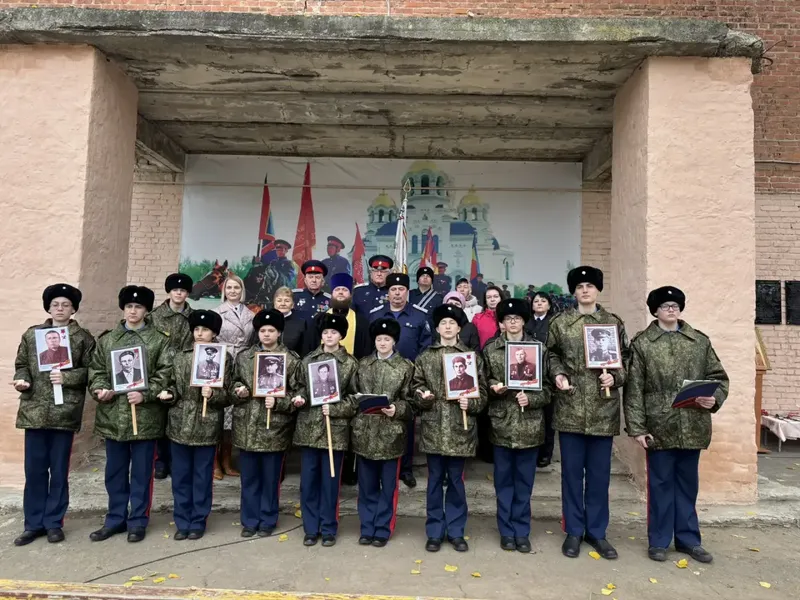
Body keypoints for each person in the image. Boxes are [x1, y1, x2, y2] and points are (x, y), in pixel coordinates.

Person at [624, 286, 729, 564]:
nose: (671, 309)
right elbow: (634, 390)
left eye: (675, 305)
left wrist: (713, 398)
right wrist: (637, 428)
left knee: (687, 486)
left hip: (692, 423)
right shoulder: (643, 344)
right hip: (659, 426)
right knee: (660, 486)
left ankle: (689, 540)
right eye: (665, 305)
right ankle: (659, 541)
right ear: (655, 310)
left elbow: (719, 377)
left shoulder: (699, 341)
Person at [547, 266, 629, 560]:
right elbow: (550, 354)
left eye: (590, 286)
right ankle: (573, 530)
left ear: (598, 290)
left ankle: (597, 532)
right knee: (571, 475)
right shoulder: (561, 323)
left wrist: (615, 377)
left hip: (601, 409)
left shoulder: (611, 323)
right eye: (580, 286)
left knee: (598, 477)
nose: (585, 290)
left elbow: (627, 359)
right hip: (570, 408)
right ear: (574, 292)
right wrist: (557, 374)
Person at [88, 285, 173, 544]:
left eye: (138, 307)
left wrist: (145, 395)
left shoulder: (159, 339)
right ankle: (114, 518)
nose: (133, 311)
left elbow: (165, 373)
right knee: (114, 472)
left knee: (141, 473)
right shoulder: (107, 339)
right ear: (123, 309)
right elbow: (97, 370)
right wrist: (101, 389)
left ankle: (137, 520)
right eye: (129, 307)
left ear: (146, 310)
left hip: (145, 419)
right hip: (114, 417)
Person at [12, 284, 95, 547]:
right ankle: (33, 523)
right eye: (56, 304)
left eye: (66, 305)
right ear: (48, 307)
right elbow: (22, 364)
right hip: (35, 410)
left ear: (73, 309)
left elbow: (93, 371)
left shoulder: (82, 337)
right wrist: (22, 379)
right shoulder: (33, 335)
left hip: (64, 412)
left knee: (58, 471)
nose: (60, 309)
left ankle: (53, 522)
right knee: (34, 470)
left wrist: (68, 377)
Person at [411, 304, 487, 553]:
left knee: (455, 481)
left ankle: (456, 531)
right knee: (434, 482)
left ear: (459, 327)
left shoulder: (471, 357)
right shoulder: (425, 356)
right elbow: (415, 388)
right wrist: (423, 395)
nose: (447, 327)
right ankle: (434, 531)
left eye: (451, 323)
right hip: (434, 426)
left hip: (459, 427)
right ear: (437, 328)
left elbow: (483, 394)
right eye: (443, 323)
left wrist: (472, 401)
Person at [483, 298, 549, 553]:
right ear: (501, 323)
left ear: (524, 321)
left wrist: (531, 398)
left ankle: (522, 530)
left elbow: (549, 390)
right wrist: (493, 387)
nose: (512, 323)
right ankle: (506, 531)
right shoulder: (491, 350)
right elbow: (481, 382)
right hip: (502, 424)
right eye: (507, 319)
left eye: (517, 319)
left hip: (529, 425)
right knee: (503, 483)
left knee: (524, 482)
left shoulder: (538, 350)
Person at [158, 310, 231, 541]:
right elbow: (171, 385)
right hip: (179, 424)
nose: (200, 334)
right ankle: (182, 519)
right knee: (180, 476)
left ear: (214, 333)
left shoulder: (224, 358)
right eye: (197, 330)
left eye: (206, 330)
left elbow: (230, 395)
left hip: (206, 424)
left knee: (202, 476)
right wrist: (168, 394)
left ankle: (198, 520)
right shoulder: (179, 356)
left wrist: (215, 394)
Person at [231, 309, 303, 538]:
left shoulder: (291, 360)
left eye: (271, 330)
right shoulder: (244, 357)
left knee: (271, 479)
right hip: (248, 427)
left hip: (274, 428)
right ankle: (249, 520)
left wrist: (281, 402)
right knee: (249, 478)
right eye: (262, 330)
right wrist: (238, 391)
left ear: (279, 332)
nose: (266, 334)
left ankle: (268, 519)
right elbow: (231, 385)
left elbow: (299, 393)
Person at [293, 314, 359, 547]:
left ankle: (329, 527)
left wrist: (337, 407)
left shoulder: (350, 364)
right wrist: (300, 397)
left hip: (335, 430)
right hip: (310, 428)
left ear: (341, 336)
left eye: (334, 332)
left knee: (330, 483)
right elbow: (299, 386)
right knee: (309, 482)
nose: (329, 336)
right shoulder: (308, 360)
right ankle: (311, 528)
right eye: (325, 333)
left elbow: (355, 397)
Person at [352, 318, 413, 547]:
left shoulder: (405, 367)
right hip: (365, 433)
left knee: (388, 487)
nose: (382, 343)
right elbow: (353, 394)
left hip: (391, 434)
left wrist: (397, 409)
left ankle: (383, 528)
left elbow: (411, 402)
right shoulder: (363, 365)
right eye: (379, 339)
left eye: (387, 339)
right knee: (366, 487)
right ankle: (367, 527)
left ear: (394, 341)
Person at [369, 272, 432, 489]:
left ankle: (405, 469)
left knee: (406, 420)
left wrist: (417, 371)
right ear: (388, 292)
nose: (397, 293)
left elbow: (426, 346)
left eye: (401, 289)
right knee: (380, 419)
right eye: (393, 289)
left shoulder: (419, 316)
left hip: (408, 377)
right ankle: (380, 466)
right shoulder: (376, 315)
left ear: (408, 291)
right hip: (380, 375)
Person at [150, 273, 195, 480]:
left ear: (187, 293)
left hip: (184, 372)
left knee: (178, 416)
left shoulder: (193, 317)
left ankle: (175, 460)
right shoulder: (154, 316)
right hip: (160, 372)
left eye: (183, 290)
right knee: (159, 416)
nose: (179, 293)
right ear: (169, 291)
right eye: (175, 290)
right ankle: (160, 460)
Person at [213, 274, 254, 480]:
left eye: (236, 287)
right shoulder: (216, 312)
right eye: (229, 287)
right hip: (222, 361)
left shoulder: (250, 314)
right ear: (224, 290)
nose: (233, 291)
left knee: (232, 413)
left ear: (242, 290)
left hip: (242, 361)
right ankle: (214, 463)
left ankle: (227, 460)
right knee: (218, 411)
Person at [524, 291, 555, 467]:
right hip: (527, 373)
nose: (539, 303)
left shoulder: (553, 323)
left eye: (543, 301)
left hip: (546, 374)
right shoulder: (526, 322)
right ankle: (532, 451)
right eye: (536, 301)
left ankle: (546, 453)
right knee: (531, 415)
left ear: (549, 305)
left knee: (548, 416)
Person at [311, 273, 372, 359]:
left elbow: (366, 353)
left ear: (350, 295)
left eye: (344, 290)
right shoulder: (319, 320)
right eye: (337, 289)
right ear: (332, 294)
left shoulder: (361, 321)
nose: (340, 292)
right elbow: (312, 348)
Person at [272, 286, 311, 356]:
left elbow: (305, 351)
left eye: (287, 301)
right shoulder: (266, 322)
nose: (283, 304)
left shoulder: (301, 324)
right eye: (279, 300)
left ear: (292, 305)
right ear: (274, 304)